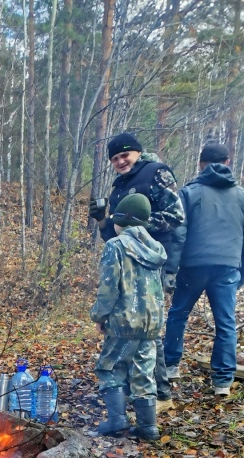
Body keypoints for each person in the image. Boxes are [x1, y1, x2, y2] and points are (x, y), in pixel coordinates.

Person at [89, 132, 186, 414]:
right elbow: (113, 233)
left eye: (125, 155)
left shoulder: (156, 173)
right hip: (127, 263)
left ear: (137, 153)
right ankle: (139, 393)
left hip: (151, 263)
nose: (120, 161)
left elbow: (176, 215)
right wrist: (102, 219)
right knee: (130, 326)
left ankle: (161, 395)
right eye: (115, 158)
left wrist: (138, 228)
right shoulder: (121, 184)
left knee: (148, 331)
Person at [163, 142, 244, 396]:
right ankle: (222, 381)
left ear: (201, 164)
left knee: (178, 314)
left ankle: (170, 366)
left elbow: (178, 234)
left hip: (193, 266)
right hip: (227, 267)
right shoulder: (241, 196)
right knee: (226, 323)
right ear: (228, 162)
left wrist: (170, 269)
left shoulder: (189, 193)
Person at [90, 193, 166, 441]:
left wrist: (100, 316)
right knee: (144, 372)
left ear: (120, 221)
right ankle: (148, 427)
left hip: (124, 321)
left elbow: (109, 287)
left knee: (109, 367)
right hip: (150, 323)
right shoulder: (155, 248)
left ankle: (117, 420)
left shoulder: (116, 245)